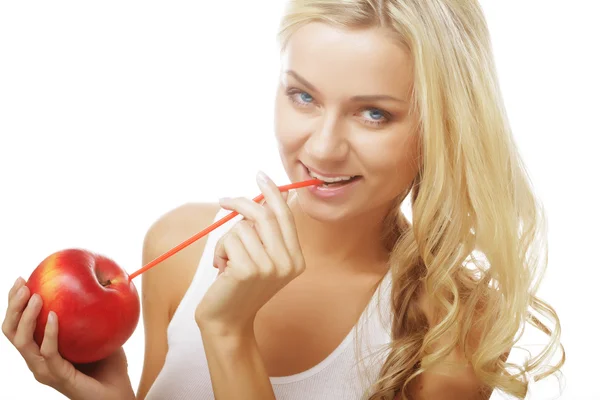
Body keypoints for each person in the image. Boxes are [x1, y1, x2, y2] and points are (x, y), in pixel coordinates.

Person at [2, 0, 565, 399]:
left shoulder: (451, 323)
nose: (322, 146)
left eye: (374, 114)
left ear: (442, 126)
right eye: (303, 96)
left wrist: (228, 334)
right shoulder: (178, 245)